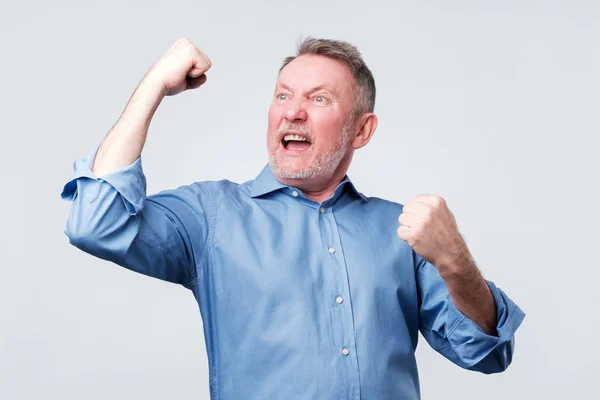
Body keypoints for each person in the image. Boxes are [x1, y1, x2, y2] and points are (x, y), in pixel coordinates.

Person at [61, 37, 525, 399]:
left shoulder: (401, 232)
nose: (293, 112)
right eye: (283, 95)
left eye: (319, 99)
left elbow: (486, 352)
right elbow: (94, 222)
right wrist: (155, 85)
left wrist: (456, 262)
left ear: (361, 130)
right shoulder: (212, 216)